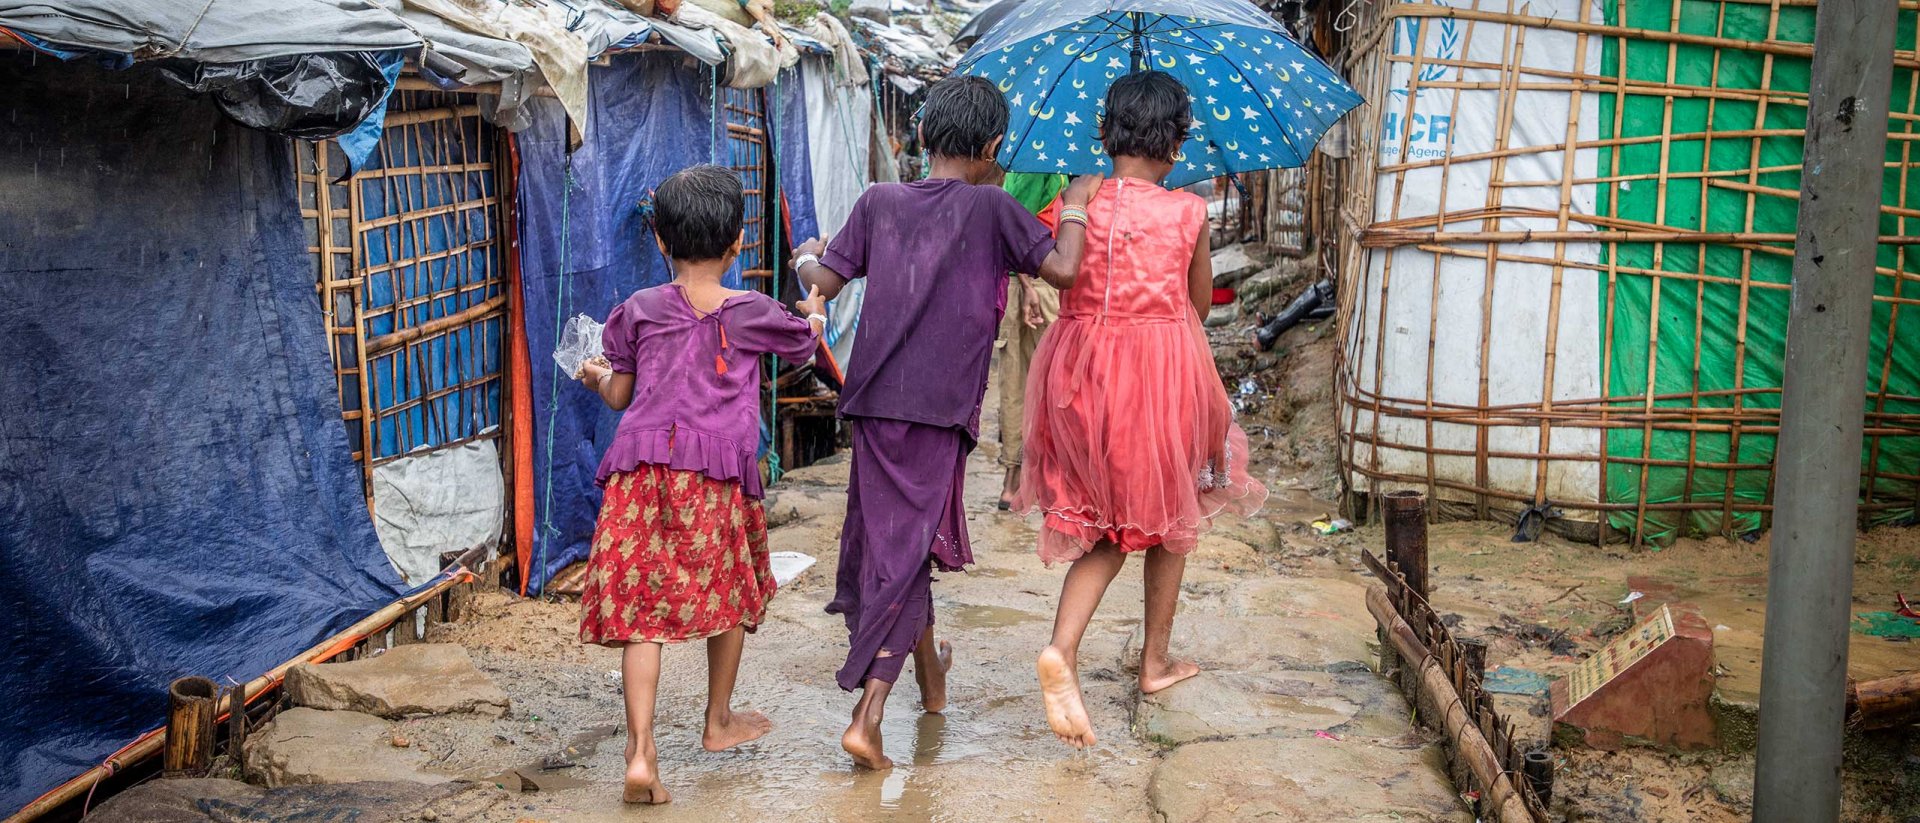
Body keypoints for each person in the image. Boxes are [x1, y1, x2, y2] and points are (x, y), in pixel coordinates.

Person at [789, 75, 1100, 770]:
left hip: (872, 403)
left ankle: (932, 678)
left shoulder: (878, 202)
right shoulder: (992, 209)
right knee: (905, 552)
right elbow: (1066, 271)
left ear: (923, 136)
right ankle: (867, 716)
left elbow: (825, 277)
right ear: (994, 149)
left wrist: (805, 255)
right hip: (939, 409)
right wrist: (1075, 202)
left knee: (899, 545)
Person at [1014, 71, 1269, 750]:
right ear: (1179, 144)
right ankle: (1154, 661)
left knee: (1100, 525)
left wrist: (1080, 207)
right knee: (1169, 513)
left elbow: (1052, 269)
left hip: (1077, 379)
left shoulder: (1079, 202)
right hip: (1161, 378)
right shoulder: (1188, 213)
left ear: (1105, 134)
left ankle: (1062, 649)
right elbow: (1197, 299)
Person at [575, 165, 829, 803]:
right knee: (731, 589)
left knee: (641, 616)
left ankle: (640, 754)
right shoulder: (752, 311)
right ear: (739, 242)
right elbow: (803, 347)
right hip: (714, 480)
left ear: (660, 240)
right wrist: (817, 311)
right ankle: (717, 722)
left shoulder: (636, 311)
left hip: (637, 477)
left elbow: (619, 394)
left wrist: (592, 376)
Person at [996, 172, 1070, 510]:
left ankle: (1031, 475)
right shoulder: (1034, 168)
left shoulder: (1053, 171)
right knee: (1027, 383)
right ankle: (1017, 476)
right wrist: (1027, 287)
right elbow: (1016, 230)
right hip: (1031, 286)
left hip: (1037, 284)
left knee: (1041, 384)